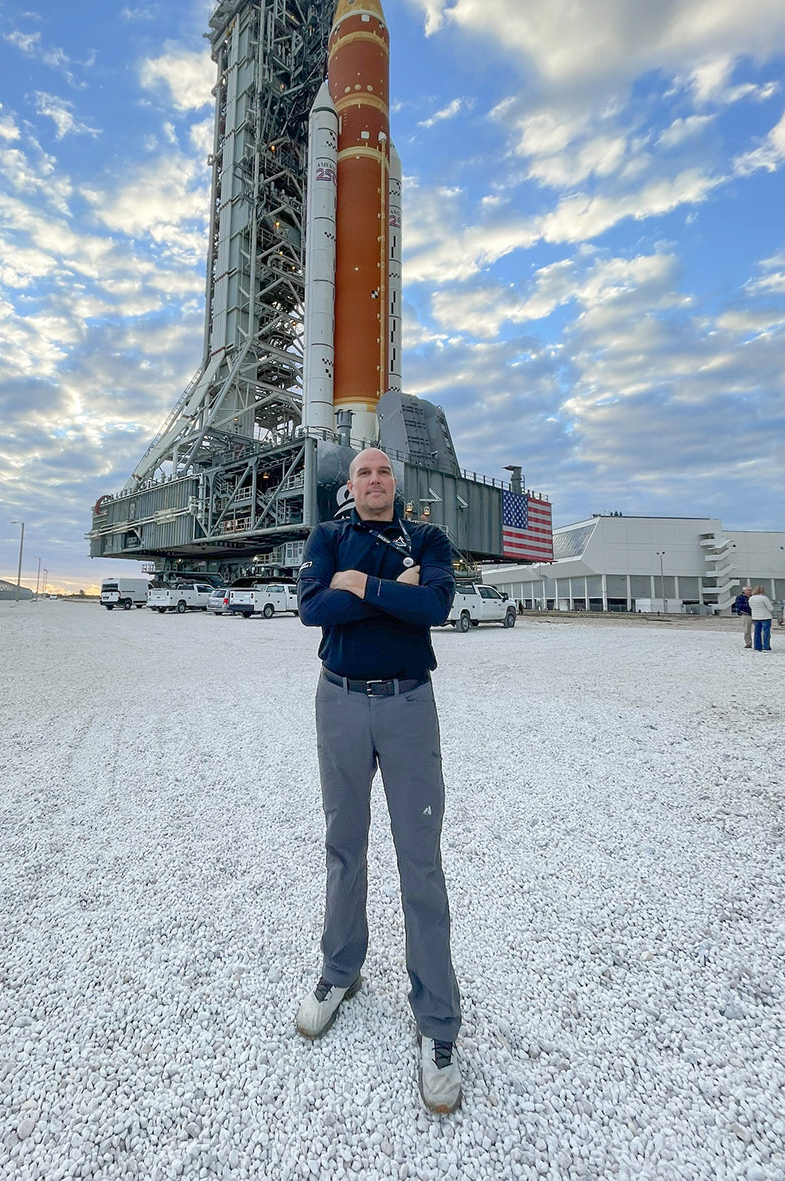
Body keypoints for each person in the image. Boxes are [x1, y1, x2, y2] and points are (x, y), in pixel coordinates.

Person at [296, 447, 462, 1114]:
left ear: (396, 482)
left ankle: (438, 1021)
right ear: (350, 485)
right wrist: (393, 588)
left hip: (407, 704)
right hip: (339, 699)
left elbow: (436, 607)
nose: (373, 480)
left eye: (383, 471)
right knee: (344, 844)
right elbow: (312, 608)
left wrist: (358, 587)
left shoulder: (429, 538)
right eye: (363, 472)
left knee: (420, 859)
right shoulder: (326, 537)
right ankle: (340, 969)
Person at [748, 585, 774, 652]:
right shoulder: (764, 598)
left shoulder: (751, 598)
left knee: (757, 632)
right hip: (765, 617)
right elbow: (771, 608)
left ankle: (757, 646)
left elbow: (751, 607)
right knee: (766, 632)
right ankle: (766, 646)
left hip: (755, 617)